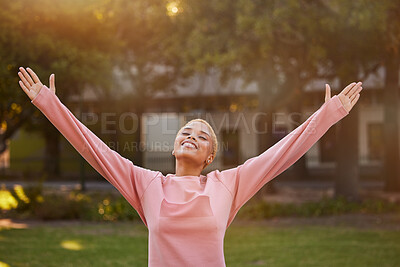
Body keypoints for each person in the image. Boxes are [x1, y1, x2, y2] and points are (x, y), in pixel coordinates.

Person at [17, 67, 362, 266]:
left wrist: (328, 114)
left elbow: (282, 153)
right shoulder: (147, 184)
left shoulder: (228, 183)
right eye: (186, 132)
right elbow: (94, 150)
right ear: (174, 145)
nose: (191, 136)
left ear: (210, 156)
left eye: (202, 136)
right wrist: (50, 104)